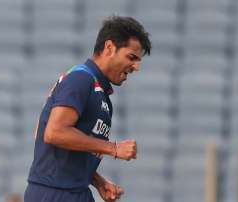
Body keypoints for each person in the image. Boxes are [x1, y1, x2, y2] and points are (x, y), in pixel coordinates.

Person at [24, 15, 152, 202]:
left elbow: (60, 142)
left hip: (75, 191)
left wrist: (97, 181)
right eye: (131, 57)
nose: (136, 67)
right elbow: (53, 133)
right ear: (109, 48)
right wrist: (113, 148)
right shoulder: (81, 80)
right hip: (55, 194)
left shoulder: (99, 91)